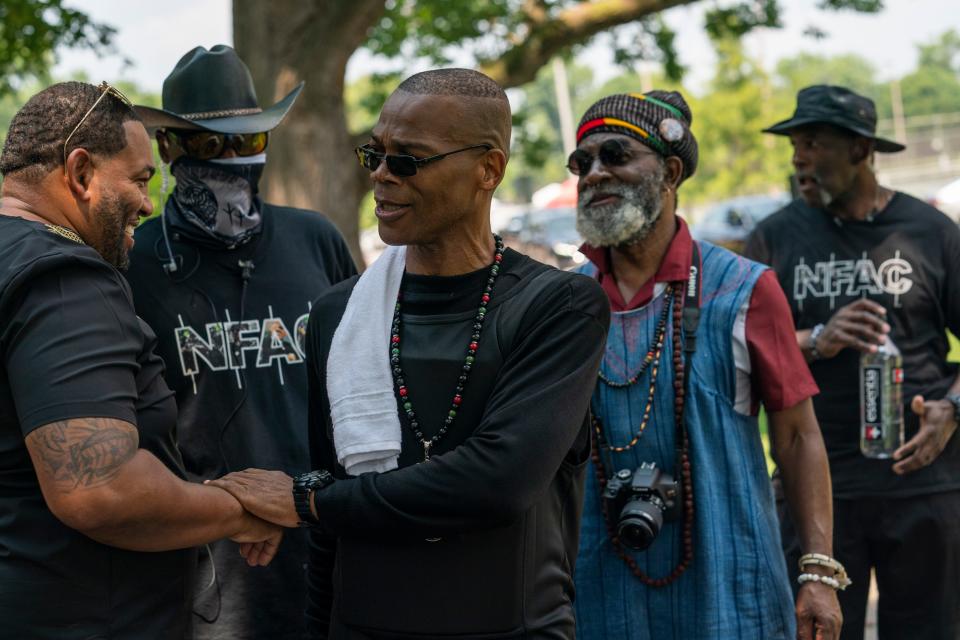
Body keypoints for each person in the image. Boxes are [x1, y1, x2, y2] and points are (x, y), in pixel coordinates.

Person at [206, 68, 610, 639]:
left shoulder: (560, 306)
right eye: (375, 153)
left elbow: (497, 481)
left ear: (488, 170)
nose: (380, 175)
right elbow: (330, 502)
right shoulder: (338, 314)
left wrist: (306, 500)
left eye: (407, 160)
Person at [0, 81, 282, 640]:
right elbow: (99, 489)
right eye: (139, 179)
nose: (149, 203)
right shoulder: (66, 278)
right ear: (81, 173)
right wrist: (243, 508)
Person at [568, 90, 843, 639]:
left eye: (616, 155)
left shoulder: (744, 289)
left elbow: (796, 437)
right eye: (583, 163)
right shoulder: (567, 301)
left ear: (670, 172)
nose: (594, 173)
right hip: (601, 584)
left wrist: (818, 571)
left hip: (728, 583)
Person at [125, 45, 357, 640]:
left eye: (248, 141)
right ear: (168, 149)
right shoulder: (133, 260)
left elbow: (362, 385)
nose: (231, 159)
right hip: (205, 574)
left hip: (325, 548)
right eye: (208, 145)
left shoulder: (315, 239)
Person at [746, 84, 960, 639]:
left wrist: (953, 408)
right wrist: (818, 337)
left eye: (814, 143)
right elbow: (738, 348)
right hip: (817, 490)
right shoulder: (772, 239)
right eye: (795, 145)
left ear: (862, 150)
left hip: (923, 484)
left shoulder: (931, 232)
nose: (799, 158)